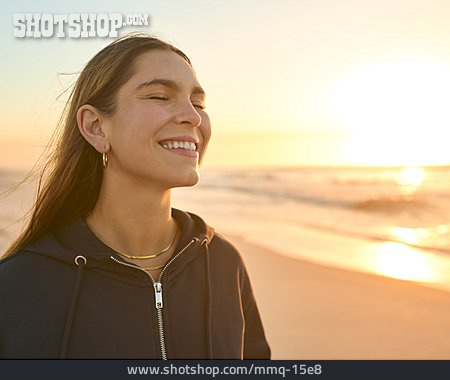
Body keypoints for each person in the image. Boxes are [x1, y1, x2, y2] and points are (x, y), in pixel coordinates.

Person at [0, 34, 271, 359]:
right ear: (96, 127)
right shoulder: (18, 286)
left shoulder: (225, 264)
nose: (193, 117)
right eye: (160, 96)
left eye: (198, 103)